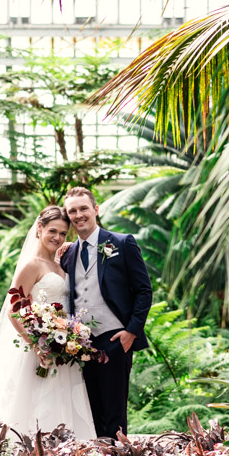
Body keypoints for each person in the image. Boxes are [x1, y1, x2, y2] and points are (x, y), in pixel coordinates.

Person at [0, 204, 96, 439]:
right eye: (53, 231)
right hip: (35, 345)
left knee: (57, 396)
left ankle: (57, 449)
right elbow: (14, 310)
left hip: (59, 345)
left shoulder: (60, 265)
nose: (58, 237)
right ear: (39, 229)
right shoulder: (31, 265)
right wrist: (36, 344)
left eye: (63, 233)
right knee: (29, 399)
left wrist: (68, 334)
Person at [61, 187, 153, 438]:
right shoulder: (68, 253)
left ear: (95, 210)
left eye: (83, 208)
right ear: (68, 216)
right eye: (72, 211)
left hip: (115, 338)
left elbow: (144, 291)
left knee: (114, 413)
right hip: (80, 343)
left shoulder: (122, 243)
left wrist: (131, 332)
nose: (78, 215)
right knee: (89, 411)